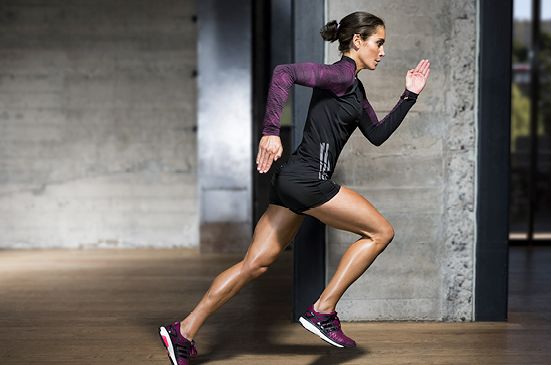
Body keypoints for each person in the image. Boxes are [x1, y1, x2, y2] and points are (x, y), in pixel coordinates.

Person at [159, 11, 430, 365]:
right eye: (378, 43)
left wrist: (408, 96)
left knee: (255, 264)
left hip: (293, 180)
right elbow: (284, 73)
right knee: (380, 232)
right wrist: (271, 130)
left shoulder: (354, 87)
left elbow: (376, 135)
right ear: (357, 41)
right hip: (307, 181)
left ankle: (183, 332)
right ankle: (323, 310)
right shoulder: (338, 75)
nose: (382, 52)